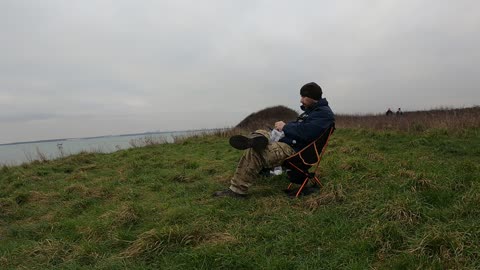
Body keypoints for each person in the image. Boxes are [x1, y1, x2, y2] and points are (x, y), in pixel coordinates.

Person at [213, 82, 335, 198]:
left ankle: (237, 191)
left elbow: (306, 132)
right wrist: (282, 128)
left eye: (303, 96)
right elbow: (301, 127)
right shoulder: (312, 112)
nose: (301, 100)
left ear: (312, 97)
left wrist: (285, 127)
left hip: (296, 150)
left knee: (255, 152)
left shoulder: (323, 114)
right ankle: (257, 139)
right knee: (263, 132)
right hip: (289, 142)